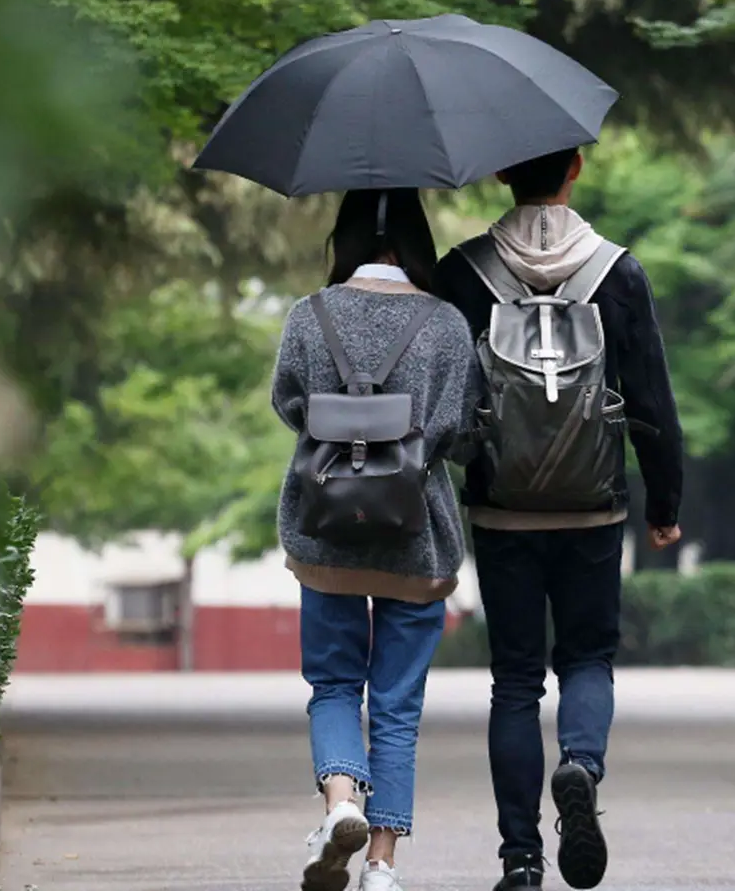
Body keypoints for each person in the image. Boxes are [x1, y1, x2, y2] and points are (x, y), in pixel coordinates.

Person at [434, 148, 684, 891]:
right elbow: (651, 399)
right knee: (585, 658)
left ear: (501, 173)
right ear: (576, 167)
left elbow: (447, 397)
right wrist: (664, 504)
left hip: (504, 509)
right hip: (593, 506)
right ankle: (579, 763)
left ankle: (520, 861)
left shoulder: (464, 271)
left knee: (514, 681)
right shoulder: (619, 270)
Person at [272, 188, 482, 891]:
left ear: (346, 238)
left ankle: (340, 805)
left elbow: (288, 404)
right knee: (397, 704)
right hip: (416, 540)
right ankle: (383, 866)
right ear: (414, 244)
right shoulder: (447, 324)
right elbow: (456, 427)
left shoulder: (310, 314)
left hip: (324, 534)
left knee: (334, 683)